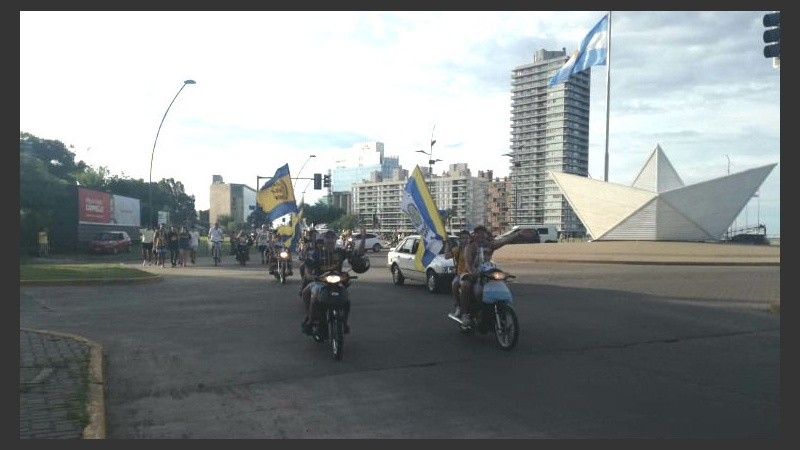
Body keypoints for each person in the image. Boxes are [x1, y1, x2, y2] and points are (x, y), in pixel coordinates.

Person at [300, 225, 367, 335]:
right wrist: (311, 276)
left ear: (336, 239)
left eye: (332, 238)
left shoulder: (340, 252)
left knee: (346, 300)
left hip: (337, 282)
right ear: (324, 240)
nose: (330, 240)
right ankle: (310, 320)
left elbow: (358, 253)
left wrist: (363, 238)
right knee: (307, 292)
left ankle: (344, 323)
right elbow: (308, 270)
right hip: (320, 282)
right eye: (328, 238)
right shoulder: (317, 254)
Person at [460, 225, 528, 323]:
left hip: (487, 272)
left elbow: (505, 241)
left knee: (499, 283)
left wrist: (518, 234)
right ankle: (465, 314)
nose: (480, 236)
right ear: (474, 235)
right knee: (466, 286)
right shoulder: (470, 247)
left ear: (485, 235)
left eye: (482, 233)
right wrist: (473, 272)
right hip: (472, 273)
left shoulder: (490, 245)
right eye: (478, 233)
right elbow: (468, 264)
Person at [444, 229, 471, 317]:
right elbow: (447, 256)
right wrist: (447, 243)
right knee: (454, 283)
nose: (465, 240)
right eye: (463, 238)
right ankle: (459, 306)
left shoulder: (473, 249)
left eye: (467, 238)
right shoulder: (458, 250)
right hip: (461, 275)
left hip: (472, 274)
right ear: (460, 240)